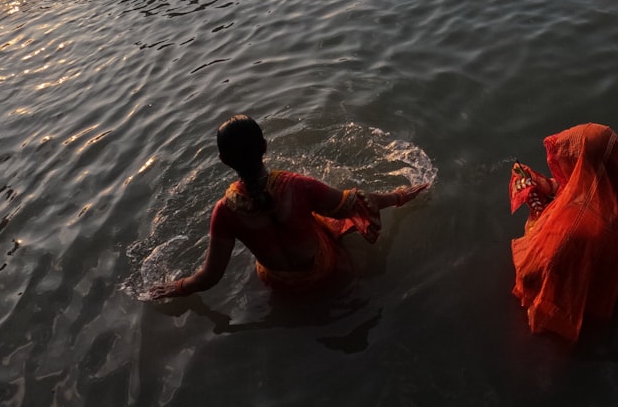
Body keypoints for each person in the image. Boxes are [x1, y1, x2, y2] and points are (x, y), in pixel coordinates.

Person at [148, 115, 428, 299]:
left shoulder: (225, 212)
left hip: (278, 285)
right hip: (325, 270)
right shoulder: (297, 186)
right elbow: (354, 203)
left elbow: (209, 277)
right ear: (265, 146)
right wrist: (399, 196)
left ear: (223, 160)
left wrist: (176, 287)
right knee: (328, 213)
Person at [508, 123, 618, 343]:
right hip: (615, 283)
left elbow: (532, 272)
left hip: (579, 299)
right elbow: (577, 192)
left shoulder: (571, 228)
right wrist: (546, 187)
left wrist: (538, 213)